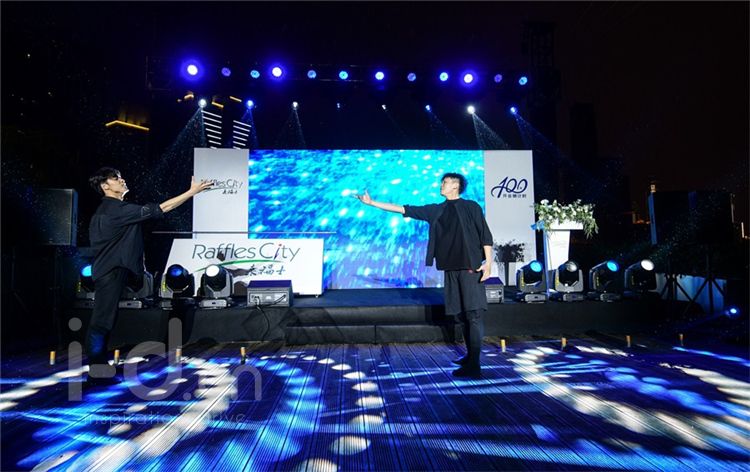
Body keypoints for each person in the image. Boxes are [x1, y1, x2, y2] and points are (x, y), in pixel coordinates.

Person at [355, 173, 493, 378]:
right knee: (461, 315)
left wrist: (488, 263)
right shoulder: (437, 210)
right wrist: (372, 203)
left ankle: (474, 364)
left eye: (445, 182)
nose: (441, 185)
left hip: (470, 268)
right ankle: (470, 356)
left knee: (473, 314)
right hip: (450, 269)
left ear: (455, 186)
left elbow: (484, 234)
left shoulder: (471, 207)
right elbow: (404, 209)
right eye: (442, 182)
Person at [86, 167, 212, 385]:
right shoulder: (116, 210)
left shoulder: (109, 209)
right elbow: (162, 208)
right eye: (115, 178)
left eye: (120, 176)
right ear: (105, 186)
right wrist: (192, 192)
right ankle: (96, 373)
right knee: (101, 322)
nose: (121, 179)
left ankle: (100, 368)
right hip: (110, 272)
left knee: (105, 320)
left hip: (110, 270)